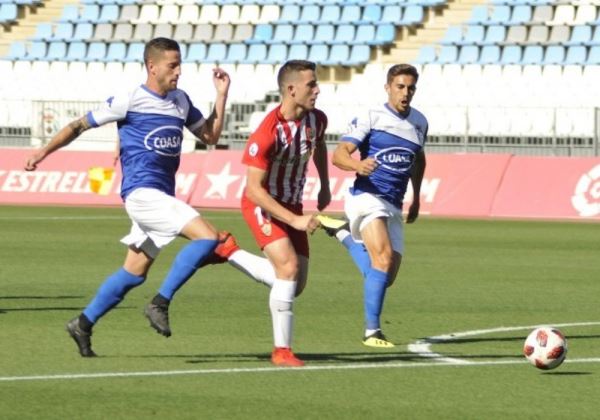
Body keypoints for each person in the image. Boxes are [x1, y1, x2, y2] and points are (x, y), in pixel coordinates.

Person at [24, 37, 231, 357]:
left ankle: (83, 323)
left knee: (134, 272)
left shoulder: (180, 101)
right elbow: (78, 125)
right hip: (141, 193)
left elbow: (210, 136)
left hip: (160, 195)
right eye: (172, 65)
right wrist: (43, 152)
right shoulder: (129, 99)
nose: (178, 71)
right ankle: (159, 302)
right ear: (152, 66)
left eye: (180, 65)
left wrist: (221, 95)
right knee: (207, 237)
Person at [225, 60, 331, 367]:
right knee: (287, 269)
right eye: (311, 84)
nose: (317, 89)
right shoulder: (268, 132)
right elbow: (253, 190)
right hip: (263, 204)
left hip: (293, 205)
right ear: (291, 89)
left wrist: (324, 185)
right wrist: (295, 219)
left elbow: (319, 146)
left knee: (295, 284)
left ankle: (229, 251)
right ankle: (281, 350)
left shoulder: (317, 120)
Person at [318, 64, 427, 348]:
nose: (405, 93)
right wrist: (357, 164)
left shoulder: (420, 122)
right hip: (366, 197)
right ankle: (372, 332)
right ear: (388, 87)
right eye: (400, 87)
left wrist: (416, 196)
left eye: (411, 88)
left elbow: (419, 160)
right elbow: (339, 154)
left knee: (383, 277)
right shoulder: (371, 116)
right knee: (382, 258)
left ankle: (343, 233)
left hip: (394, 202)